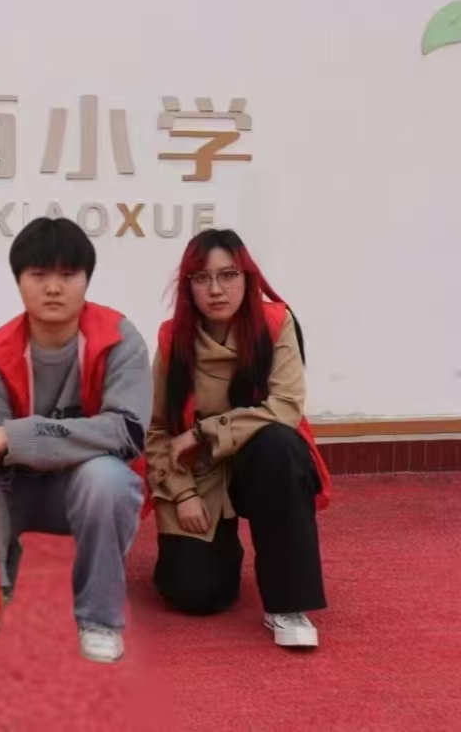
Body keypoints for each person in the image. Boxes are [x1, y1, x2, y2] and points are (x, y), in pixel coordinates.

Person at [0, 217, 151, 664]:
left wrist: (24, 435)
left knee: (106, 478)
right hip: (20, 488)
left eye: (68, 274)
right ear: (18, 280)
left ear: (87, 279)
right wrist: (20, 444)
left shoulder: (118, 339)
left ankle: (100, 620)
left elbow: (127, 432)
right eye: (38, 275)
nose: (53, 288)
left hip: (86, 489)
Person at [145, 228, 332, 649]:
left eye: (228, 275)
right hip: (200, 469)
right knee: (194, 593)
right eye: (202, 277)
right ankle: (223, 549)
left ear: (247, 278)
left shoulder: (276, 323)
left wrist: (204, 430)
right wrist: (182, 493)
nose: (216, 289)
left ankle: (287, 604)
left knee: (280, 445)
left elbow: (285, 406)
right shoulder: (173, 339)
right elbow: (158, 431)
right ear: (188, 285)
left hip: (258, 458)